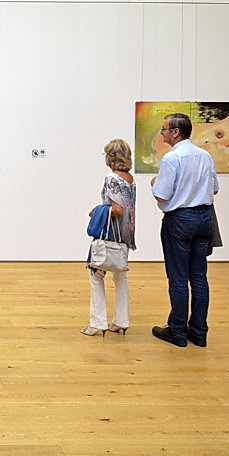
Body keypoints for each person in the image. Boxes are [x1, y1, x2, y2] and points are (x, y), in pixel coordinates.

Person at [151, 113, 219, 348]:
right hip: (205, 218)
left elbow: (161, 195)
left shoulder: (172, 158)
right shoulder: (205, 156)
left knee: (178, 277)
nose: (162, 133)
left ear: (175, 132)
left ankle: (178, 331)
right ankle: (199, 332)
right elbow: (214, 189)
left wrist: (154, 183)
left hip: (180, 220)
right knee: (199, 276)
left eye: (164, 129)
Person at [82, 139, 136, 337]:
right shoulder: (130, 179)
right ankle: (121, 321)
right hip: (126, 233)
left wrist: (96, 211)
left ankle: (97, 323)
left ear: (111, 157)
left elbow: (117, 209)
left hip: (110, 233)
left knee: (95, 274)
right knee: (120, 275)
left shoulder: (112, 178)